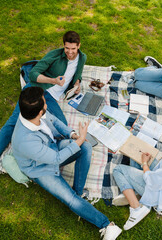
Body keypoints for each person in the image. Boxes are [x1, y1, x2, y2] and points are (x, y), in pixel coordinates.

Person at [11, 87, 122, 240]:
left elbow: (54, 121)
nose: (46, 104)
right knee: (70, 200)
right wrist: (80, 140)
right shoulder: (26, 141)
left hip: (51, 147)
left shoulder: (32, 114)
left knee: (86, 147)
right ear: (38, 112)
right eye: (44, 103)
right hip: (40, 168)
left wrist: (73, 135)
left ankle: (78, 192)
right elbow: (56, 159)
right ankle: (107, 225)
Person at [0, 31, 87, 182]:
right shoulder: (54, 55)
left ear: (79, 46)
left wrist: (77, 84)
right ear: (63, 46)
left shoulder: (82, 58)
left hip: (52, 100)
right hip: (38, 92)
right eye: (66, 48)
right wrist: (53, 80)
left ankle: (42, 155)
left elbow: (78, 74)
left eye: (73, 49)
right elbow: (34, 74)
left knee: (61, 127)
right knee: (14, 121)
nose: (69, 52)